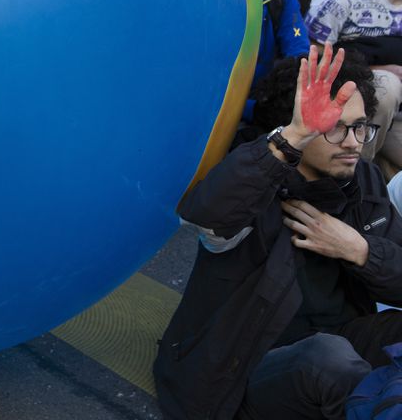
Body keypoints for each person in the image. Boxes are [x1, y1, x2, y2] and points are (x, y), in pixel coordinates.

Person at [155, 45, 402, 420]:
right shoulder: (256, 181)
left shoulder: (363, 180)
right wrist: (292, 138)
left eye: (360, 127)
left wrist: (361, 251)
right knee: (328, 362)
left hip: (343, 339)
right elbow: (206, 213)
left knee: (342, 358)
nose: (353, 143)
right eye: (335, 127)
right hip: (242, 369)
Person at [306, 0, 402, 181]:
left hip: (396, 117)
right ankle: (353, 179)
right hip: (354, 114)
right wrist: (380, 69)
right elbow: (311, 60)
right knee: (386, 85)